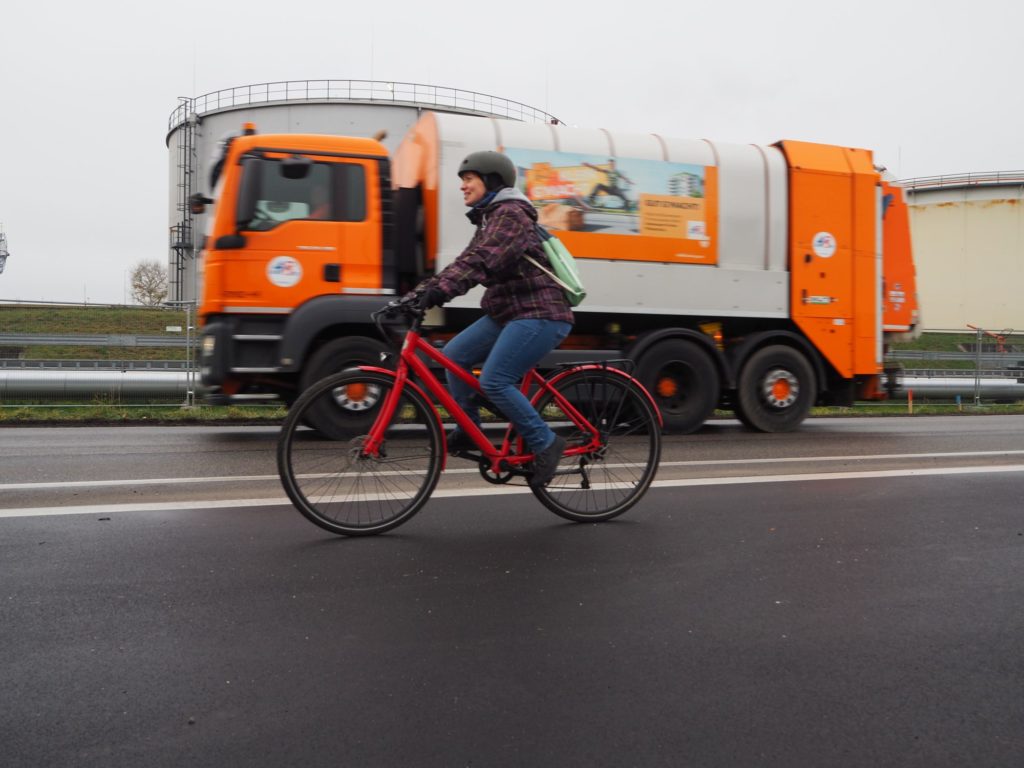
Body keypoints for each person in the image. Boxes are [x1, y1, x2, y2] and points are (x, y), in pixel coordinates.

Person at [409, 150, 574, 489]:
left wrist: (441, 293)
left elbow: (483, 261)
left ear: (492, 181)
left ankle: (546, 442)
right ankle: (468, 430)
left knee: (495, 380)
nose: (463, 186)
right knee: (453, 356)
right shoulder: (489, 217)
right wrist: (420, 292)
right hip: (508, 312)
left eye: (468, 179)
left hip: (540, 312)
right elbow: (465, 261)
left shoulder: (511, 214)